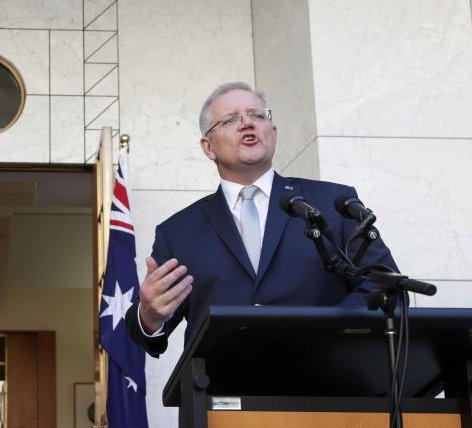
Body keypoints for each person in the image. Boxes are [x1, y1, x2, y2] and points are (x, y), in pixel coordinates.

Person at [125, 82, 396, 356]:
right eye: (230, 120)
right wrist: (149, 316)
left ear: (273, 133)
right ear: (208, 148)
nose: (246, 124)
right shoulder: (178, 232)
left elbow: (386, 286)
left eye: (257, 115)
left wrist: (324, 331)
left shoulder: (334, 203)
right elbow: (146, 330)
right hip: (221, 389)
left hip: (325, 383)